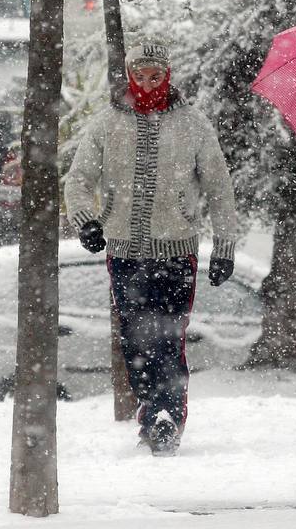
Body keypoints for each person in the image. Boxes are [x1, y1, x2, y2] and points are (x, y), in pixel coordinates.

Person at [64, 39, 240, 456]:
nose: (147, 83)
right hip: (124, 251)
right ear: (129, 76)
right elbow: (78, 179)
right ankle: (149, 407)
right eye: (139, 76)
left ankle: (167, 418)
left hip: (177, 250)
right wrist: (86, 221)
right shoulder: (107, 123)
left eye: (155, 75)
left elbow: (219, 187)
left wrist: (225, 247)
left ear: (168, 75)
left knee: (168, 337)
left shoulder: (192, 123)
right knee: (135, 338)